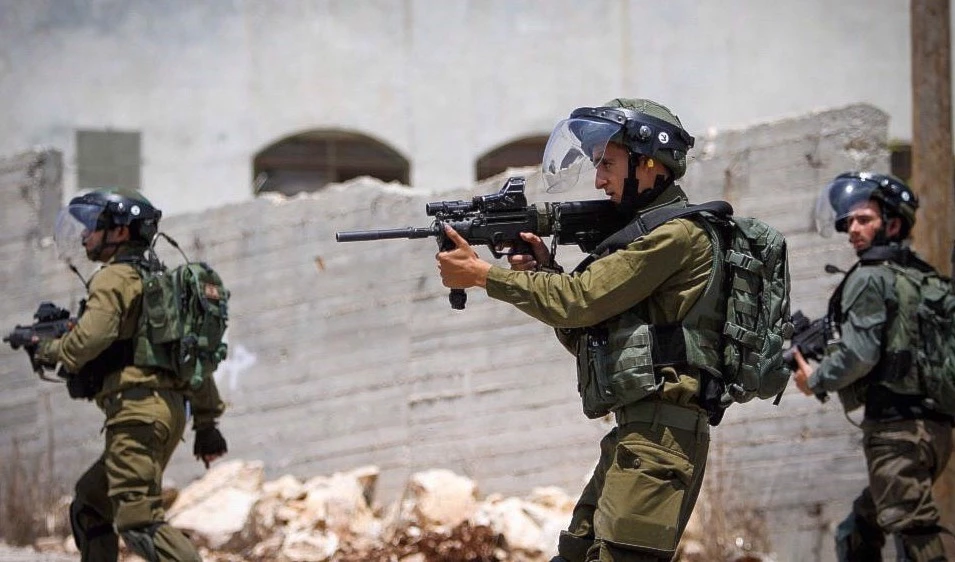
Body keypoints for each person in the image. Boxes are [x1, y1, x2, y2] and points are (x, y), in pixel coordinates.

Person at [437, 98, 719, 562]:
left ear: (650, 164)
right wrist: (543, 273)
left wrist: (484, 276)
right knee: (574, 554)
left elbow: (580, 300)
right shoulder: (647, 237)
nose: (599, 180)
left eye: (608, 164)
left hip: (660, 443)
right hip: (636, 438)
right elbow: (588, 331)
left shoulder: (675, 236)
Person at [33, 188, 229, 562]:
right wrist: (207, 423)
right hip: (164, 414)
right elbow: (191, 360)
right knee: (92, 501)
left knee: (139, 521)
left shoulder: (115, 278)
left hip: (136, 413)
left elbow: (87, 341)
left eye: (93, 226)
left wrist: (46, 348)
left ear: (121, 231)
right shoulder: (161, 285)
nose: (85, 236)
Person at [791, 172, 953, 562]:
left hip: (895, 432)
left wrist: (816, 380)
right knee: (860, 529)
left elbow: (859, 355)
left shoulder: (869, 277)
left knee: (914, 533)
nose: (852, 229)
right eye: (849, 221)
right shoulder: (920, 275)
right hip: (934, 433)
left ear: (892, 225)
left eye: (864, 219)